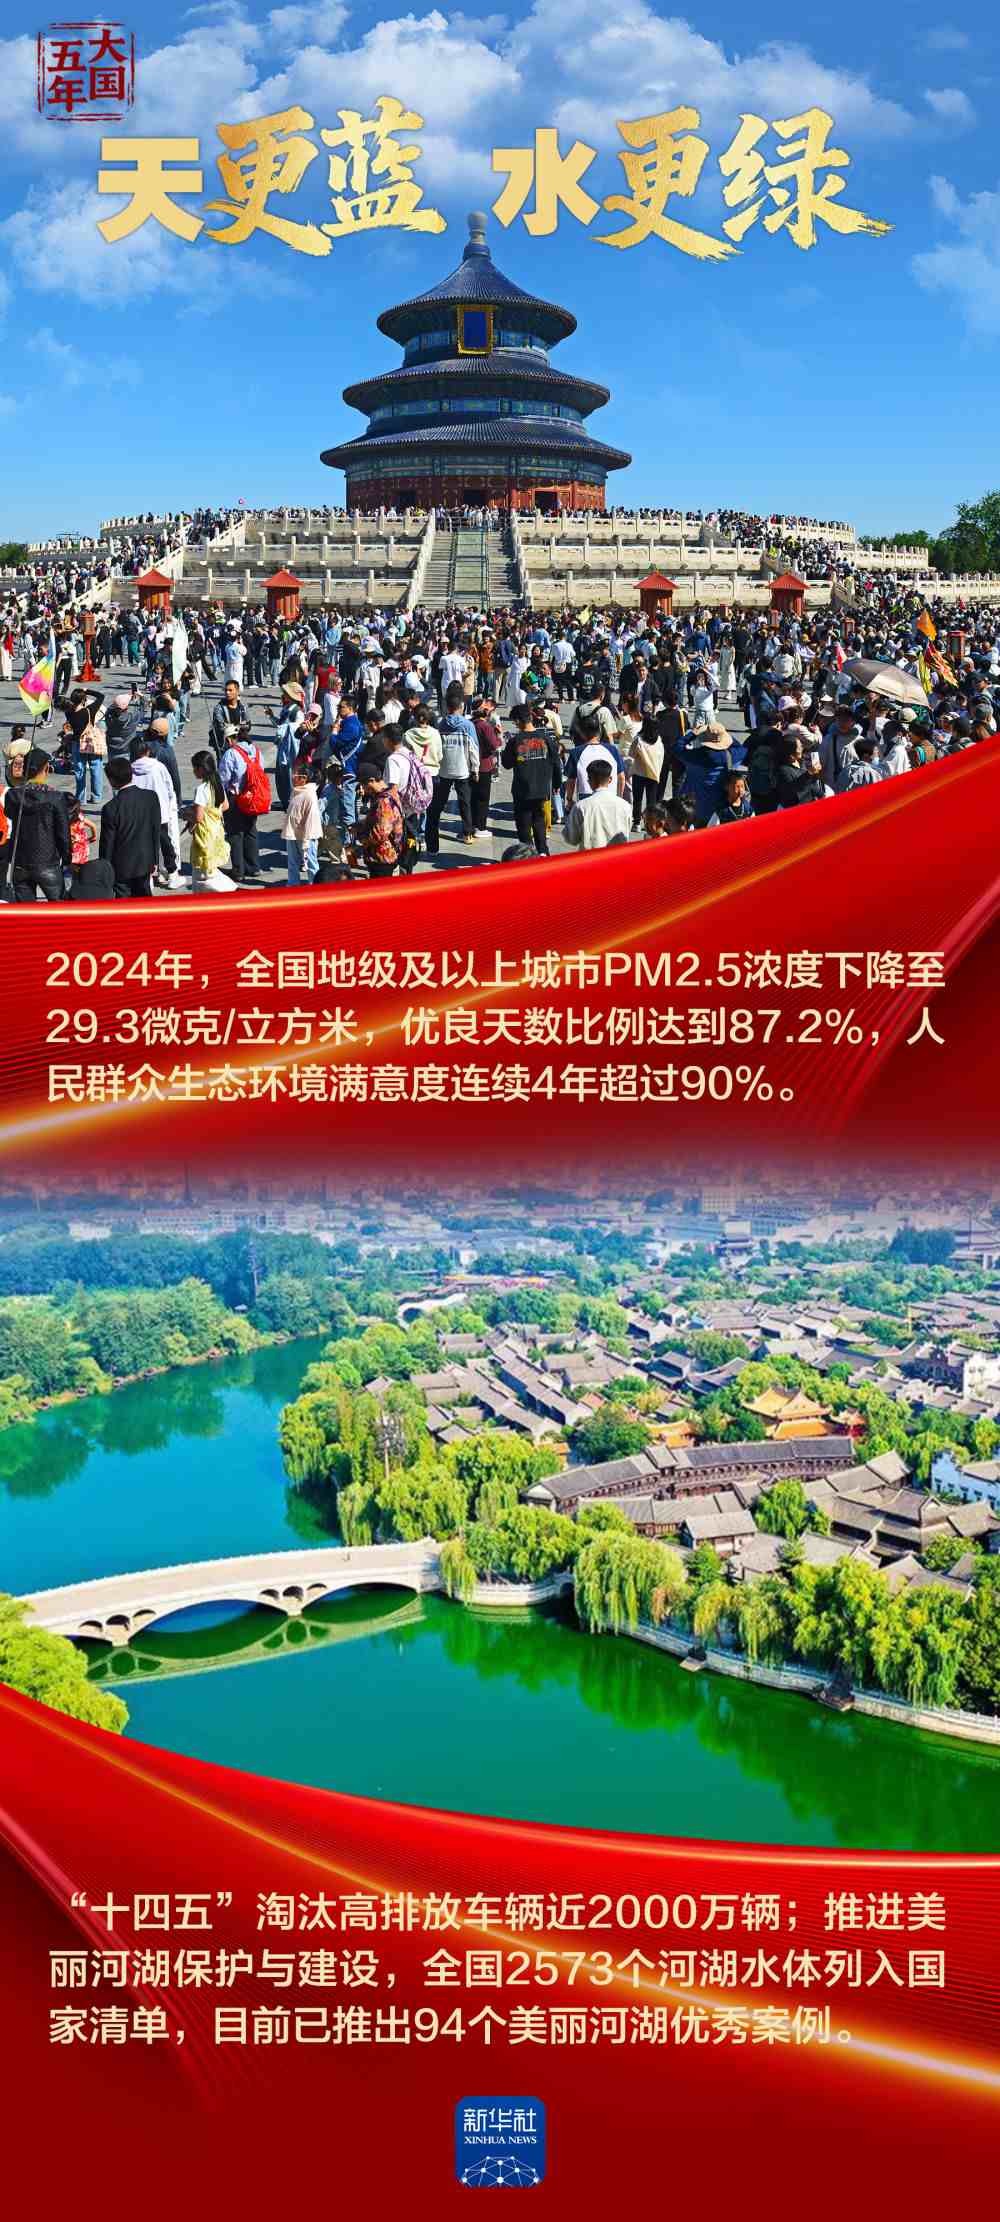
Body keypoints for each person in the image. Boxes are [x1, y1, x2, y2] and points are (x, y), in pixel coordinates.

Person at [5, 747, 70, 902]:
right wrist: (67, 859)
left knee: (26, 910)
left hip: (21, 862)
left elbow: (9, 814)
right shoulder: (55, 797)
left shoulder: (13, 795)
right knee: (60, 906)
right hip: (48, 862)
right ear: (46, 769)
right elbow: (63, 833)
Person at [501, 702, 562, 858]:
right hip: (542, 789)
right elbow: (556, 763)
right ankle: (543, 852)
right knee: (539, 820)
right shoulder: (546, 738)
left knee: (523, 824)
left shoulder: (516, 741)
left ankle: (526, 855)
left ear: (518, 720)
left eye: (514, 722)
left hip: (522, 790)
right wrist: (556, 784)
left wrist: (505, 747)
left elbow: (506, 764)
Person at [425, 681, 478, 853]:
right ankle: (468, 833)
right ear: (461, 706)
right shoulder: (468, 725)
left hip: (444, 769)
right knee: (465, 803)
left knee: (437, 806)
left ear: (446, 707)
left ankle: (433, 844)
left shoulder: (440, 724)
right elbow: (473, 749)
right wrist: (475, 769)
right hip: (462, 770)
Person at [99, 758, 162, 897]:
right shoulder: (151, 797)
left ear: (111, 780)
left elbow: (107, 844)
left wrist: (105, 870)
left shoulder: (111, 808)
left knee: (124, 903)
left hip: (121, 867)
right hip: (145, 862)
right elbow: (156, 831)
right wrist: (155, 860)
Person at [217, 726, 268, 883]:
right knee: (250, 830)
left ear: (229, 739)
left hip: (236, 798)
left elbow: (224, 779)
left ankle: (238, 870)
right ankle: (253, 867)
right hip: (253, 797)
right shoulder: (257, 751)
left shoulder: (231, 753)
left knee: (235, 833)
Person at [187, 751, 237, 892]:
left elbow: (198, 817)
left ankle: (224, 891)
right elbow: (225, 805)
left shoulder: (201, 789)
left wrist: (187, 815)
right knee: (211, 865)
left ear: (201, 769)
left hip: (204, 833)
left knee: (202, 871)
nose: (193, 771)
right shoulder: (217, 784)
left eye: (195, 767)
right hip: (216, 829)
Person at [563, 758, 634, 850]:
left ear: (589, 780)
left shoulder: (581, 806)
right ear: (610, 779)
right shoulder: (625, 806)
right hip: (618, 856)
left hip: (591, 857)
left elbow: (571, 839)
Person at [352, 772, 405, 879]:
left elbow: (380, 833)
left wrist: (359, 835)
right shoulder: (391, 793)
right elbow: (380, 820)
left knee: (380, 887)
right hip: (388, 854)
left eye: (364, 785)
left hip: (382, 858)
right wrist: (361, 824)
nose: (363, 789)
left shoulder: (384, 801)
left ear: (372, 780)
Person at [61, 684, 106, 805]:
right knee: (96, 767)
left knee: (80, 771)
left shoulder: (69, 713)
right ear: (83, 700)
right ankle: (96, 796)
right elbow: (101, 696)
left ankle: (81, 798)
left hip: (77, 743)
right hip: (91, 742)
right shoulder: (89, 710)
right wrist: (87, 690)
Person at [284, 759, 322, 884]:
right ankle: (293, 884)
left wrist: (306, 842)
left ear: (304, 778)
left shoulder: (309, 795)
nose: (292, 777)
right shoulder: (296, 791)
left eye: (295, 775)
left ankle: (315, 886)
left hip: (307, 837)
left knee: (311, 863)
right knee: (292, 862)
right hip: (292, 833)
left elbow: (311, 820)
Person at [211, 678, 252, 762]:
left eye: (230, 690)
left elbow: (248, 726)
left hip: (240, 744)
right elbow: (222, 726)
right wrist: (239, 726)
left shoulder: (243, 708)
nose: (227, 693)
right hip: (224, 745)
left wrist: (233, 727)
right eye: (226, 690)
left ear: (237, 691)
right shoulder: (219, 708)